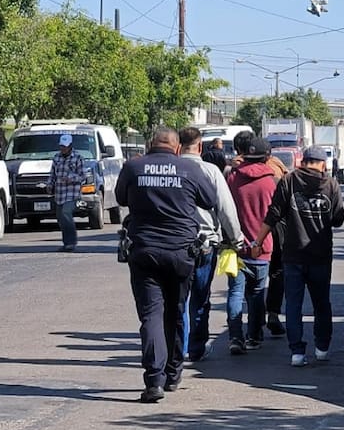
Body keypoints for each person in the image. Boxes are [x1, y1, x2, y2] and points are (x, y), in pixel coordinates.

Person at [115, 127, 218, 403]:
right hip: (181, 253)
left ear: (150, 145)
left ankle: (154, 381)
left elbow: (121, 199)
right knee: (176, 311)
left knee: (151, 315)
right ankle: (173, 374)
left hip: (145, 252)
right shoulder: (189, 169)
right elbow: (209, 200)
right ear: (176, 148)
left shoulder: (133, 167)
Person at [251, 146, 344, 367]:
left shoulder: (289, 181)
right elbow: (338, 218)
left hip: (292, 253)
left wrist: (257, 242)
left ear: (303, 161)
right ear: (322, 164)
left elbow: (273, 214)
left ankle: (297, 352)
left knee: (293, 304)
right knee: (321, 303)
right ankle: (322, 347)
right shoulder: (331, 184)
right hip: (320, 254)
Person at [178, 127, 243, 362]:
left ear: (178, 146)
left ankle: (180, 346)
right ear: (200, 147)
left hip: (176, 244)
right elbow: (226, 209)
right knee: (200, 298)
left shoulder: (171, 170)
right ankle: (195, 348)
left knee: (179, 299)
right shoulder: (210, 171)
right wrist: (236, 240)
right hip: (205, 243)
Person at [224, 136, 278, 355]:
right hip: (262, 247)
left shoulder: (233, 178)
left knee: (235, 292)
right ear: (266, 157)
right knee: (256, 293)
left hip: (235, 246)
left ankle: (235, 337)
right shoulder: (271, 181)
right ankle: (254, 336)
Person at [49, 133, 87, 252]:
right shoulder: (56, 158)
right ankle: (66, 242)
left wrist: (71, 178)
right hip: (59, 194)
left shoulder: (78, 158)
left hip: (72, 194)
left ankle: (71, 242)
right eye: (61, 146)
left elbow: (83, 176)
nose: (63, 149)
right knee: (61, 218)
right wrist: (50, 185)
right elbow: (52, 174)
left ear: (70, 145)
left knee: (66, 213)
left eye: (65, 146)